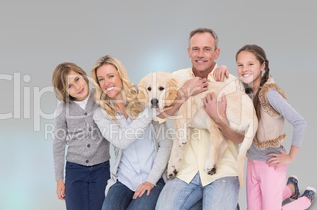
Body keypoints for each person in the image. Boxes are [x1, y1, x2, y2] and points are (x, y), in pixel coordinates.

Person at [90, 55, 197, 210]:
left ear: (120, 75)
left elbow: (166, 144)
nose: (107, 83)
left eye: (111, 76)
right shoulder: (101, 114)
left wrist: (151, 180)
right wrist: (149, 112)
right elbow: (121, 141)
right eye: (101, 79)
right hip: (124, 181)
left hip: (154, 178)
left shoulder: (143, 97)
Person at [155, 27, 246, 210]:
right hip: (185, 170)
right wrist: (185, 93)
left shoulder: (231, 83)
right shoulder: (176, 79)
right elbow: (159, 115)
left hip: (222, 170)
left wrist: (218, 119)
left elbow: (242, 138)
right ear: (189, 52)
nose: (200, 54)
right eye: (195, 49)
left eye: (207, 49)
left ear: (216, 52)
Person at [234, 44, 315, 209]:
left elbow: (300, 122)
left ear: (263, 66)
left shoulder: (270, 94)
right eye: (240, 65)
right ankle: (291, 188)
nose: (244, 69)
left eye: (251, 64)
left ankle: (307, 198)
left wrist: (290, 157)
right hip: (252, 162)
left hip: (271, 163)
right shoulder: (245, 93)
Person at [52, 62, 110, 210]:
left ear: (83, 75)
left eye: (77, 79)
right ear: (64, 91)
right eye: (70, 86)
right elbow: (58, 144)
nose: (77, 87)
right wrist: (59, 179)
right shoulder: (62, 109)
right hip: (75, 170)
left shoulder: (100, 98)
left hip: (101, 168)